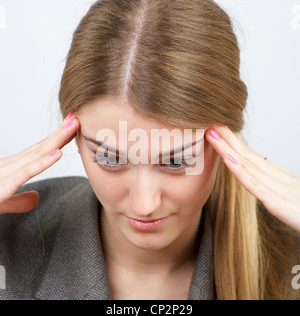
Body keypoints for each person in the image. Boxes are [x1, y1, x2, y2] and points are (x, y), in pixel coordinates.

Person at [0, 0, 299, 300]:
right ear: (74, 136)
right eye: (110, 158)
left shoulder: (292, 256)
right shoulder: (7, 242)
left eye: (176, 161)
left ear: (224, 140)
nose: (144, 205)